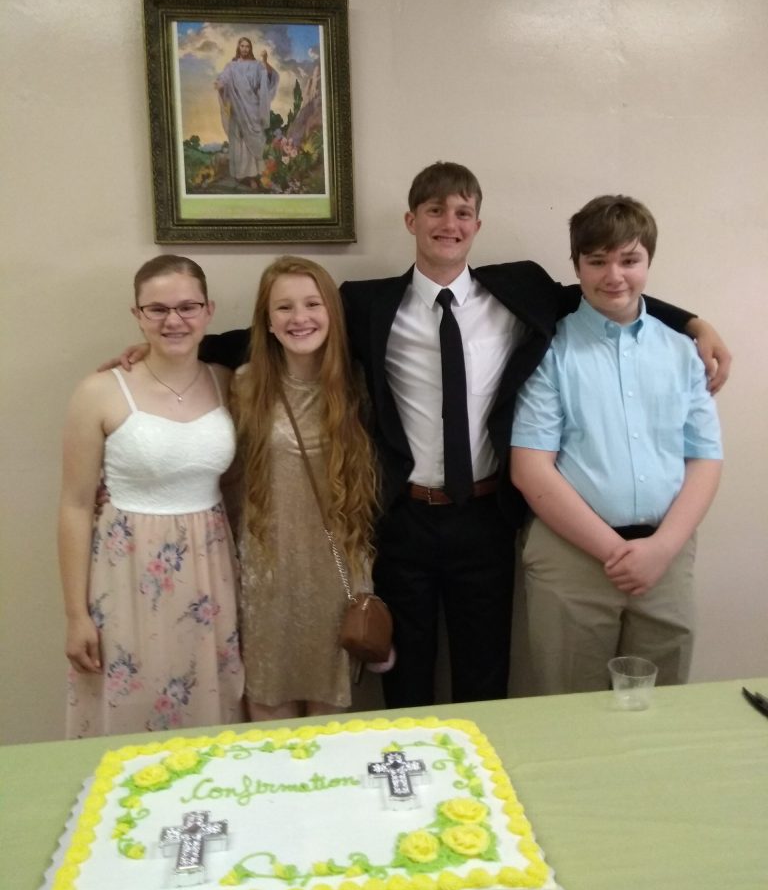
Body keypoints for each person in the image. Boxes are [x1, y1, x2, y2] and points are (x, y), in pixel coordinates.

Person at [105, 163, 731, 709]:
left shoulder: (520, 289)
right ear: (411, 220)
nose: (449, 222)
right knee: (401, 672)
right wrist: (180, 345)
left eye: (463, 212)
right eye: (435, 210)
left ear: (477, 226)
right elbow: (272, 333)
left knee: (485, 673)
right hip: (403, 515)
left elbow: (606, 293)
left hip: (487, 515)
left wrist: (696, 322)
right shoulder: (368, 303)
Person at [510, 196, 723, 693]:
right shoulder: (550, 350)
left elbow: (705, 459)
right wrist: (615, 551)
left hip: (665, 558)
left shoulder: (682, 352)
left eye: (629, 260)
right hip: (572, 559)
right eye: (597, 261)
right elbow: (531, 470)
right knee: (571, 709)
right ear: (577, 266)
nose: (614, 276)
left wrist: (661, 548)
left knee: (660, 709)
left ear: (648, 261)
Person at [59, 255, 244, 736]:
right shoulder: (99, 392)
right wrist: (76, 615)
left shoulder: (229, 383)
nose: (174, 320)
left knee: (209, 709)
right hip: (125, 576)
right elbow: (75, 507)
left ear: (208, 311)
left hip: (211, 572)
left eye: (187, 307)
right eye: (157, 309)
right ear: (137, 315)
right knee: (131, 710)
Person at [231, 256, 378, 721]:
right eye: (284, 308)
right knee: (267, 702)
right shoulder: (243, 384)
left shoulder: (359, 384)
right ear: (267, 322)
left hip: (336, 569)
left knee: (327, 718)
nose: (300, 318)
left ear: (332, 312)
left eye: (313, 304)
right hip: (267, 569)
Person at [214, 37, 280, 189]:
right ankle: (242, 176)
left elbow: (270, 78)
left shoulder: (257, 65)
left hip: (253, 108)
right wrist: (220, 84)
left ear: (250, 48)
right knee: (239, 141)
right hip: (237, 109)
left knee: (253, 140)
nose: (245, 49)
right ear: (238, 48)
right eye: (242, 46)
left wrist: (265, 61)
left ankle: (254, 176)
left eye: (247, 46)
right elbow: (224, 78)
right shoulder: (231, 66)